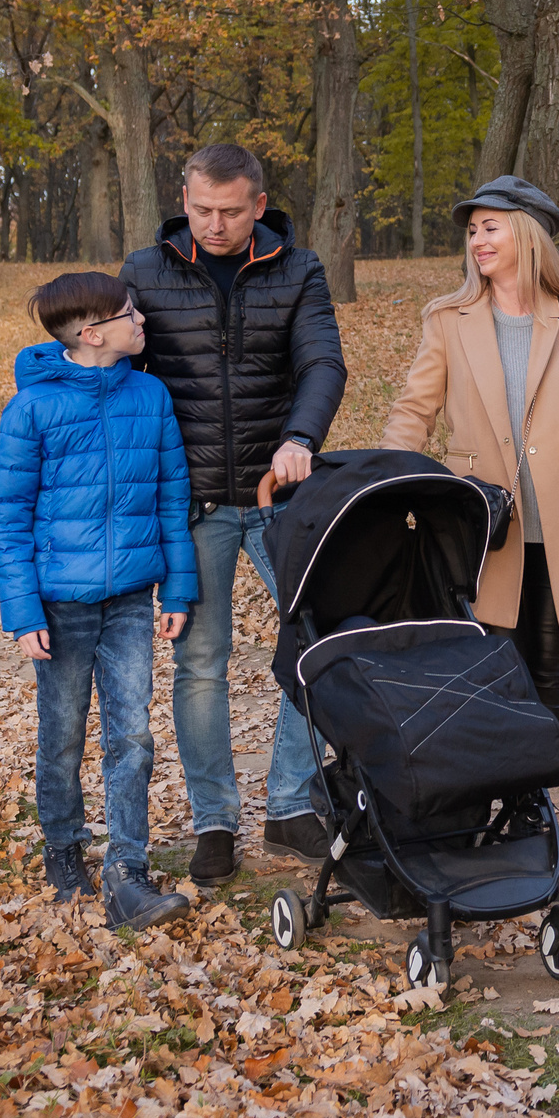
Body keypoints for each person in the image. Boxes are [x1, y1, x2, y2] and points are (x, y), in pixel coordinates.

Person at [121, 144, 346, 888]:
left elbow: (322, 363)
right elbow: (117, 376)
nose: (214, 224)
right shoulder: (144, 272)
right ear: (183, 196)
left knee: (322, 640)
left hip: (280, 498)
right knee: (200, 663)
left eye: (230, 210)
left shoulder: (299, 268)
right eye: (201, 208)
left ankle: (289, 803)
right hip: (194, 504)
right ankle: (214, 820)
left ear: (259, 203)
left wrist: (300, 437)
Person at [0, 271, 196, 931]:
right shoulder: (33, 409)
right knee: (64, 734)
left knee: (131, 734)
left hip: (132, 598)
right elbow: (8, 514)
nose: (143, 321)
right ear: (94, 332)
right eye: (131, 313)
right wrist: (22, 610)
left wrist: (179, 584)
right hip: (61, 606)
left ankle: (128, 869)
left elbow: (171, 497)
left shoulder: (151, 395)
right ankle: (63, 849)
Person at [380, 176, 559, 721]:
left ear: (527, 233)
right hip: (481, 524)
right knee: (489, 672)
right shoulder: (448, 319)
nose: (477, 241)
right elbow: (414, 412)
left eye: (490, 228)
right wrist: (391, 486)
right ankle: (494, 792)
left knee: (546, 674)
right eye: (472, 231)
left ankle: (532, 805)